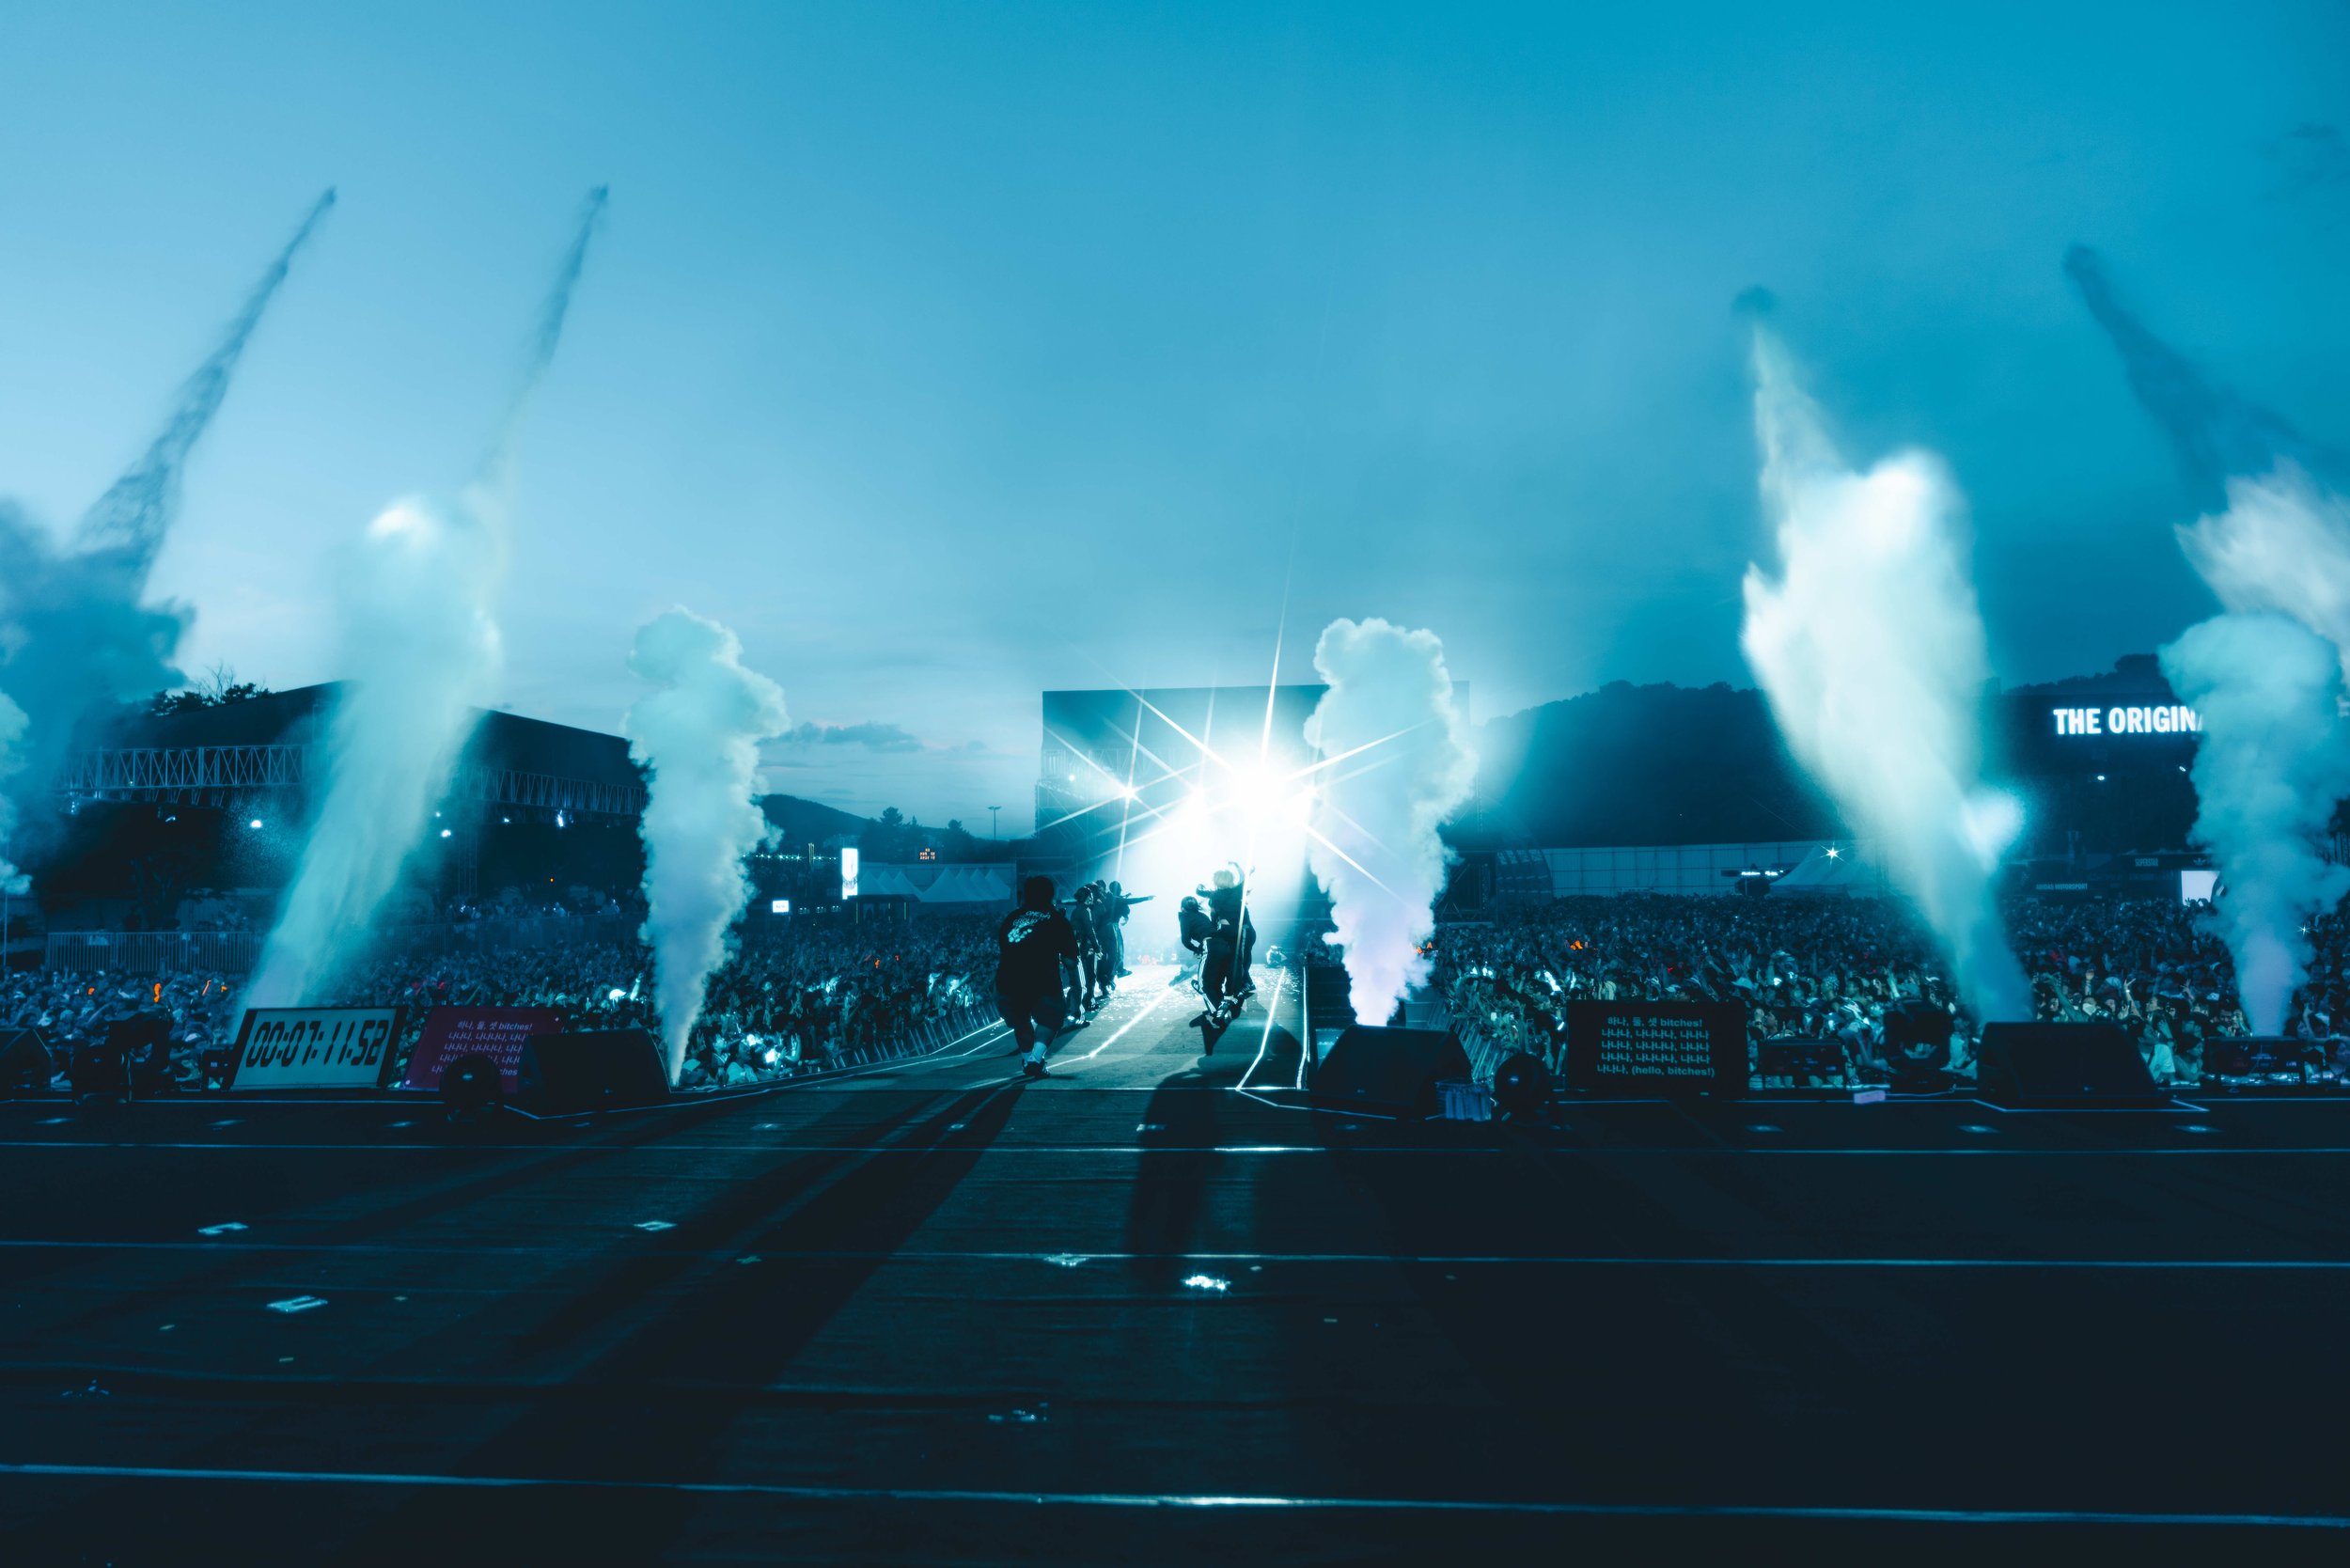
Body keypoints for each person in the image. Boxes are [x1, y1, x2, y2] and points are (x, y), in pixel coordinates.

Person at [995, 876, 1079, 1078]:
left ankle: (1028, 1061)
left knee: (1020, 1020)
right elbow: (1070, 961)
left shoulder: (1011, 918)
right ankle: (1035, 1058)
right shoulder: (1058, 920)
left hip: (1009, 980)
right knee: (1051, 1018)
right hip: (1043, 979)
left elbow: (1004, 949)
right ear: (1051, 895)